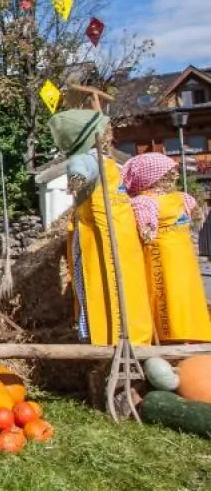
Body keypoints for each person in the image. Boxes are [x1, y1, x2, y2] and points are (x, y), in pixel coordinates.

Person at [52, 110, 153, 346]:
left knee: (129, 288)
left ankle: (135, 338)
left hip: (119, 231)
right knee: (108, 286)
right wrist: (76, 179)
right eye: (106, 130)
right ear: (94, 135)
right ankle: (110, 337)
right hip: (103, 236)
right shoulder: (88, 159)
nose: (111, 134)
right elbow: (78, 172)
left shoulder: (106, 161)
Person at [120, 153, 211, 342]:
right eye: (169, 174)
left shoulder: (179, 198)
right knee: (168, 295)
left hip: (182, 255)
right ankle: (171, 336)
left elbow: (195, 217)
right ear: (154, 177)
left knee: (188, 294)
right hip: (161, 257)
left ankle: (194, 334)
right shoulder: (144, 203)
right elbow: (146, 234)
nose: (175, 177)